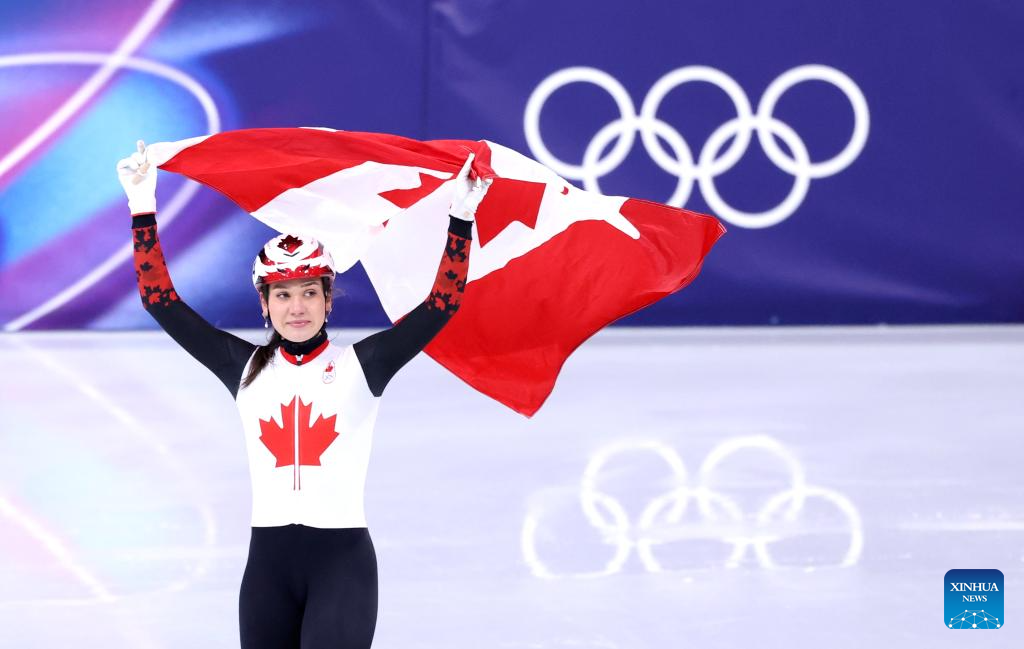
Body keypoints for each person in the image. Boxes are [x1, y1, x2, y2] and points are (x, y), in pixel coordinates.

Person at [117, 140, 489, 649]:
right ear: (265, 304)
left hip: (342, 567)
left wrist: (461, 217)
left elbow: (441, 304)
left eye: (310, 292)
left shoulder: (362, 366)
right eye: (284, 294)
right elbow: (160, 302)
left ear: (328, 300)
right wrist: (142, 206)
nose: (297, 307)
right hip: (267, 571)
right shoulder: (244, 369)